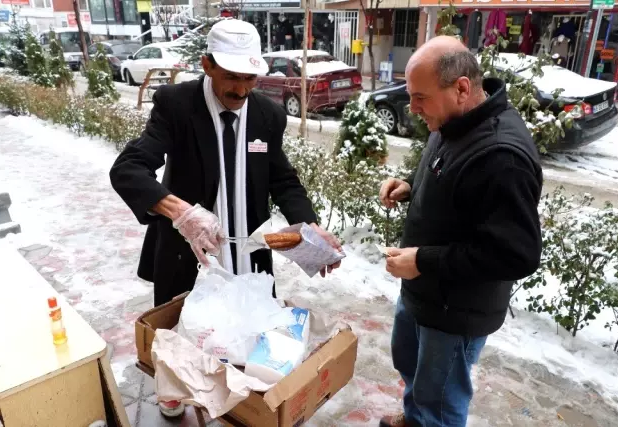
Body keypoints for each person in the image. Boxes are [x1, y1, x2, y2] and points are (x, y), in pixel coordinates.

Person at [109, 19, 341, 418]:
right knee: (181, 340)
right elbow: (128, 169)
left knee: (245, 340)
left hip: (246, 254)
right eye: (231, 77)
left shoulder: (268, 116)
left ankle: (243, 406)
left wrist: (309, 227)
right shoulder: (176, 105)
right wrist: (180, 212)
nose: (241, 89)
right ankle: (174, 395)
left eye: (249, 78)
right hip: (191, 254)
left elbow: (282, 179)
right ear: (207, 65)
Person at [378, 36, 543, 427]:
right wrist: (412, 189)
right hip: (425, 293)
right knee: (413, 370)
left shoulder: (502, 155)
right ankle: (413, 417)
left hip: (455, 309)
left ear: (462, 88)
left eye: (420, 97)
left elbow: (515, 253)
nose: (412, 108)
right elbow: (457, 185)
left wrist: (422, 259)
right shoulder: (454, 120)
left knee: (441, 400)